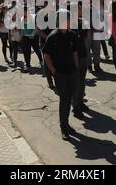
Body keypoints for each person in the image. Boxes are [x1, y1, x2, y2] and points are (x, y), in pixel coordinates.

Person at [43, 10, 79, 140]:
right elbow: (46, 56)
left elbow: (74, 51)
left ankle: (67, 124)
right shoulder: (52, 36)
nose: (71, 21)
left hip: (72, 72)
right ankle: (63, 127)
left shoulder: (72, 35)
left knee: (69, 99)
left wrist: (76, 67)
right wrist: (54, 72)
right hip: (60, 74)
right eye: (69, 19)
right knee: (64, 100)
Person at [72, 3, 90, 119]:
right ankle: (75, 107)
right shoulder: (70, 25)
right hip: (75, 57)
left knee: (82, 81)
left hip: (83, 54)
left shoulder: (81, 22)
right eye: (79, 9)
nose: (81, 11)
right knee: (76, 83)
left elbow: (86, 38)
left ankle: (80, 102)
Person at [21, 8, 43, 73]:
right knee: (26, 51)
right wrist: (21, 36)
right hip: (25, 37)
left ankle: (41, 61)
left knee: (36, 49)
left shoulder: (33, 17)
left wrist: (32, 34)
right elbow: (22, 28)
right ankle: (27, 65)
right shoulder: (22, 18)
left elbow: (37, 27)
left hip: (33, 37)